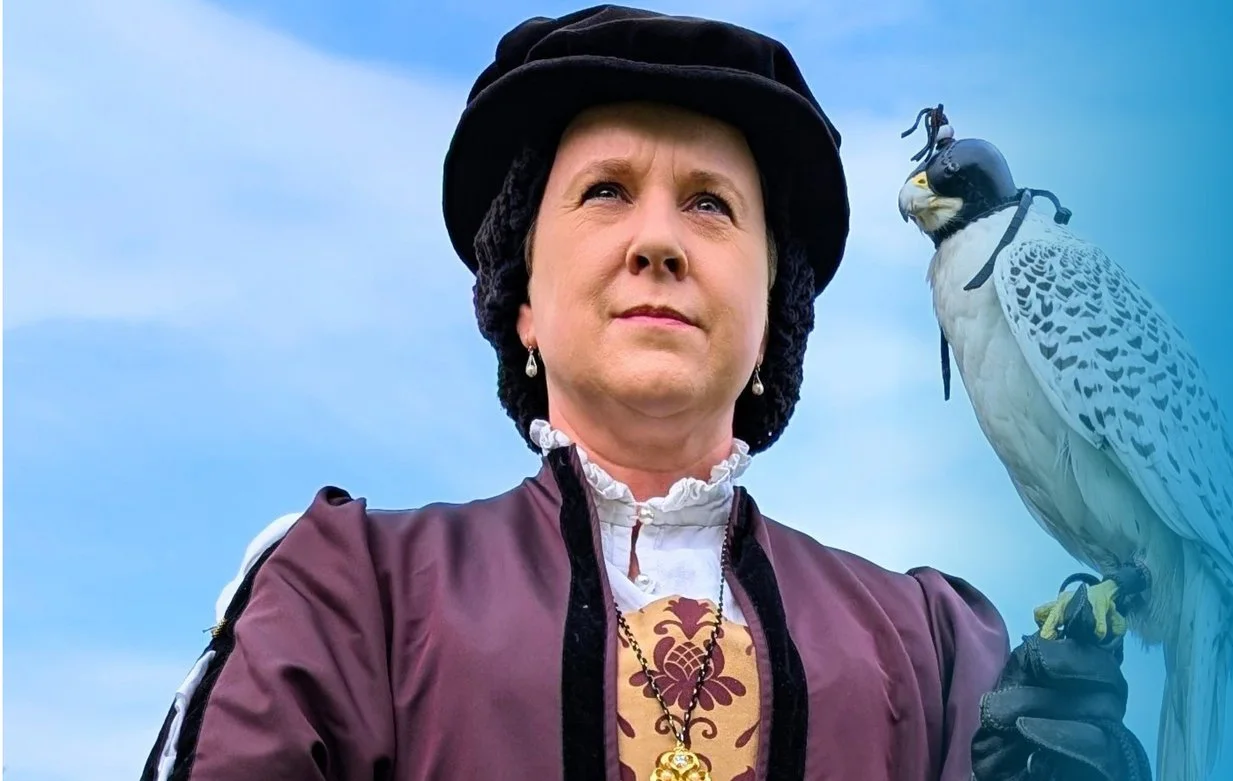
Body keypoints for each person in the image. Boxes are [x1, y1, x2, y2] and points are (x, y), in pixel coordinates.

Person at [138, 6, 1147, 780]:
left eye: (710, 204)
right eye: (606, 190)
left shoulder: (935, 653)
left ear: (768, 319)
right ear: (521, 299)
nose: (657, 240)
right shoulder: (350, 596)